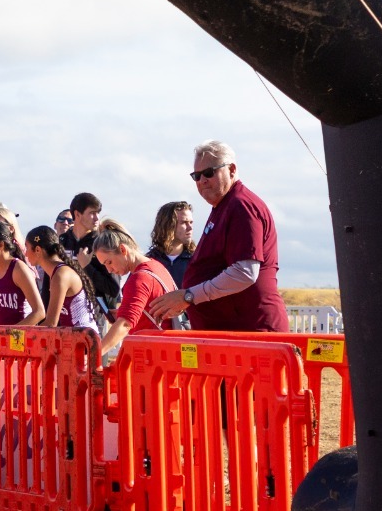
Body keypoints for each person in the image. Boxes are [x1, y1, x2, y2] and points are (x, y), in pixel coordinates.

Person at [147, 142, 288, 334]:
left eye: (209, 172)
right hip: (231, 334)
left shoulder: (241, 205)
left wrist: (188, 296)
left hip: (250, 331)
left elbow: (244, 273)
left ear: (231, 169)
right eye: (196, 176)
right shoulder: (224, 206)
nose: (202, 180)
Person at [93, 220, 176, 366]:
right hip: (166, 353)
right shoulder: (156, 266)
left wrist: (95, 355)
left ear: (123, 250)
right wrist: (122, 312)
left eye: (109, 262)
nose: (109, 270)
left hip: (153, 359)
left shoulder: (139, 278)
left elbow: (125, 325)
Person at [58, 193, 123, 323]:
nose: (97, 218)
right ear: (77, 215)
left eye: (98, 213)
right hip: (65, 314)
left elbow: (113, 289)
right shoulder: (62, 241)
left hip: (95, 317)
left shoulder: (103, 242)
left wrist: (87, 267)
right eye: (92, 213)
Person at [0, 220, 45, 325]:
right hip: (1, 338)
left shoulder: (19, 269)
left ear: (1, 245)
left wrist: (11, 334)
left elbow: (39, 312)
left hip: (20, 338)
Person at [24, 226, 94, 331]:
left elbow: (51, 323)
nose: (25, 253)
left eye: (27, 247)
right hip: (77, 338)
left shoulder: (61, 275)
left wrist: (19, 335)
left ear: (37, 250)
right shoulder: (58, 272)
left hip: (83, 340)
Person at [147, 201, 196, 287]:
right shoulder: (148, 262)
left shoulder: (197, 260)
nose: (190, 228)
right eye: (184, 222)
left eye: (191, 222)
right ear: (168, 225)